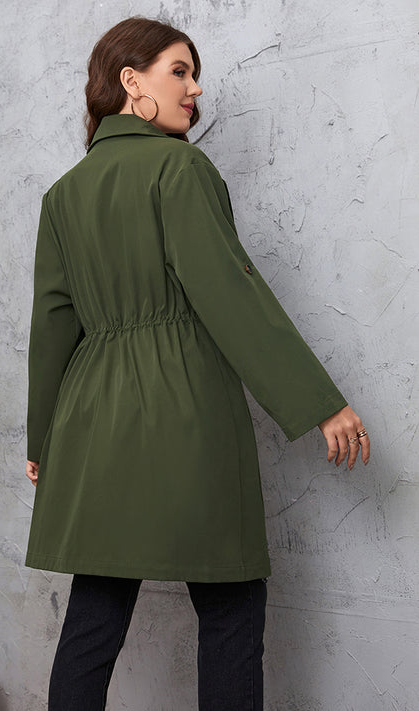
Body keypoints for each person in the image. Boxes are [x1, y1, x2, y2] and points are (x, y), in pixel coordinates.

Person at [24, 16, 371, 711]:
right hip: (182, 408)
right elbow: (231, 296)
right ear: (131, 80)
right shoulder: (179, 168)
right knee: (231, 605)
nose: (195, 88)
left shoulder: (64, 193)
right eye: (179, 71)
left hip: (93, 422)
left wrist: (42, 440)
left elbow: (52, 326)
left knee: (95, 610)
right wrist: (320, 402)